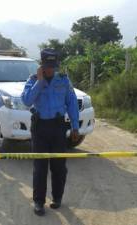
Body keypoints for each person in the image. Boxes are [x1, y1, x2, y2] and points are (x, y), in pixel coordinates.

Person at [21, 48, 80, 216]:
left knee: (59, 166)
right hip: (40, 127)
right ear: (41, 65)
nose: (50, 69)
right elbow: (26, 101)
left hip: (58, 126)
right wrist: (39, 82)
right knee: (40, 167)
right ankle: (39, 201)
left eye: (53, 66)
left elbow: (72, 103)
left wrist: (75, 126)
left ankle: (57, 198)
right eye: (47, 66)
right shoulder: (33, 80)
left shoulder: (63, 80)